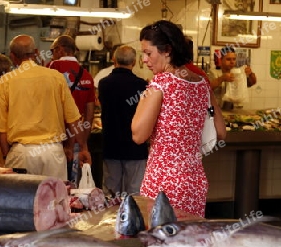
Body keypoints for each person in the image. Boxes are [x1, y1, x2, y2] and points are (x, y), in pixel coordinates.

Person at [131, 20, 226, 218]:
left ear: (167, 51)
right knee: (189, 242)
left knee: (161, 243)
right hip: (194, 181)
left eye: (148, 53)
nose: (145, 60)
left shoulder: (161, 83)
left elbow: (138, 135)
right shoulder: (201, 83)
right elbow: (221, 132)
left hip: (163, 182)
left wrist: (144, 99)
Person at [0, 35, 91, 180]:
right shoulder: (56, 78)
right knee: (54, 200)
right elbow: (73, 120)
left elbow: (0, 130)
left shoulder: (5, 82)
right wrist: (83, 148)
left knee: (20, 200)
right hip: (53, 153)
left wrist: (8, 155)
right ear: (36, 52)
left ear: (12, 56)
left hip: (21, 153)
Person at [98, 45, 148, 196]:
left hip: (111, 145)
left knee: (111, 192)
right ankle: (134, 219)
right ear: (133, 62)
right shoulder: (141, 85)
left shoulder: (104, 84)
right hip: (135, 147)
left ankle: (110, 219)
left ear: (114, 61)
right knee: (135, 193)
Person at [48, 35, 95, 184]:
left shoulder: (51, 68)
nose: (52, 55)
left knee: (53, 187)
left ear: (60, 50)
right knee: (72, 186)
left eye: (52, 50)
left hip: (54, 140)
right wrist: (83, 145)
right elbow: (89, 115)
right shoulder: (87, 75)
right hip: (76, 139)